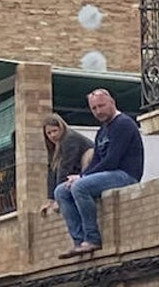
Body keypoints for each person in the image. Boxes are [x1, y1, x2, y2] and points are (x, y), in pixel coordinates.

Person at [53, 89, 143, 256]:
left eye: (101, 106)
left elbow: (112, 160)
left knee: (80, 187)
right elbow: (96, 161)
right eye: (94, 108)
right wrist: (80, 176)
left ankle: (92, 238)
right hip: (109, 173)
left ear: (112, 103)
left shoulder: (123, 124)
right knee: (61, 191)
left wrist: (82, 178)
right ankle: (79, 241)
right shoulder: (102, 131)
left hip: (125, 174)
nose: (98, 111)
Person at [38, 113, 93, 216]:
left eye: (55, 131)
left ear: (61, 128)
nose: (52, 135)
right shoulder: (54, 146)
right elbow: (52, 170)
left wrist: (58, 197)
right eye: (49, 133)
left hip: (88, 170)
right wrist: (50, 198)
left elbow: (65, 167)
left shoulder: (69, 138)